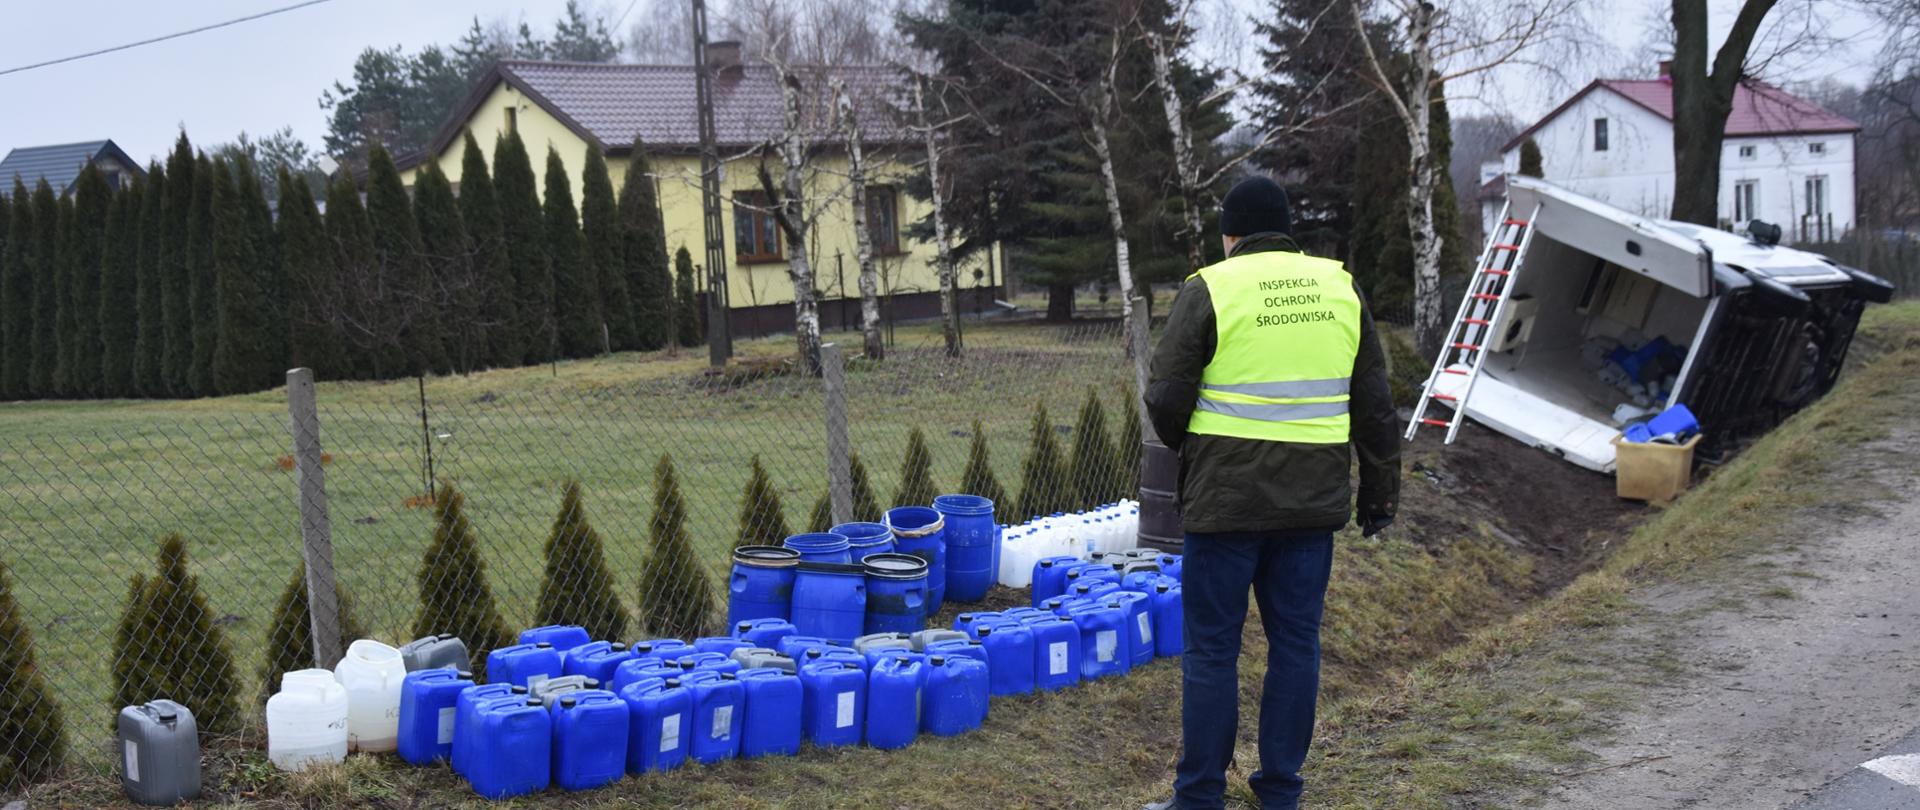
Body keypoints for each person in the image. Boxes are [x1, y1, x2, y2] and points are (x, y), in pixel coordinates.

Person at [1143, 175, 1401, 810]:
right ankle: (1280, 791)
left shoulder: (1210, 287)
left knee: (1211, 652)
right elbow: (1374, 405)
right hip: (1310, 508)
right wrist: (1380, 493)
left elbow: (1165, 396)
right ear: (1288, 231)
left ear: (1230, 235)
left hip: (1224, 505)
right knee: (1296, 645)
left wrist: (1194, 449)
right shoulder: (1340, 288)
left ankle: (1200, 797)